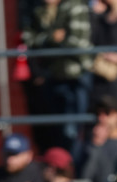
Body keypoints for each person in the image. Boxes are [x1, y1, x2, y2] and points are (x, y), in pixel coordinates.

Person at [20, 0, 92, 155]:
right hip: (51, 76)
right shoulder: (35, 8)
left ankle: (72, 167)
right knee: (56, 129)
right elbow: (28, 39)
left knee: (74, 129)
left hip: (75, 75)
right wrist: (52, 37)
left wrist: (47, 41)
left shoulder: (75, 6)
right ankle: (60, 166)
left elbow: (78, 43)